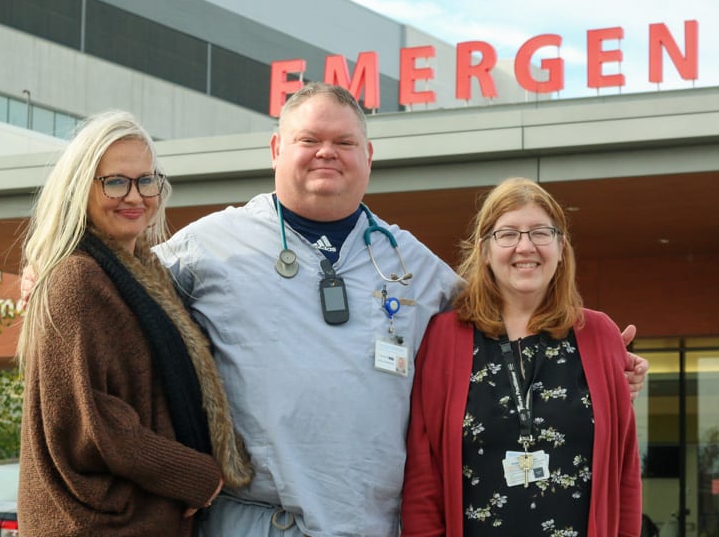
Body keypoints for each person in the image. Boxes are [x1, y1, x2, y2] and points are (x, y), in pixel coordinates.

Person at [154, 82, 648, 536]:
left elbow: (510, 316)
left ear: (367, 155)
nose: (327, 152)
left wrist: (602, 366)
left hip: (372, 525)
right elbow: (123, 311)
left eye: (345, 143)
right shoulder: (207, 247)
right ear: (276, 149)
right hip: (255, 521)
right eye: (309, 140)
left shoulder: (409, 260)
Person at [17, 110, 253, 536]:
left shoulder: (141, 274)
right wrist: (199, 476)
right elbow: (92, 423)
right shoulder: (77, 278)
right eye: (115, 181)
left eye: (147, 180)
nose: (135, 196)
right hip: (96, 524)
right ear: (79, 187)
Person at [401, 177, 642, 536]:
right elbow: (424, 478)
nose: (525, 246)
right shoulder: (443, 338)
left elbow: (625, 475)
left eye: (540, 233)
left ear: (561, 248)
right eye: (508, 234)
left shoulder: (599, 334)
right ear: (484, 250)